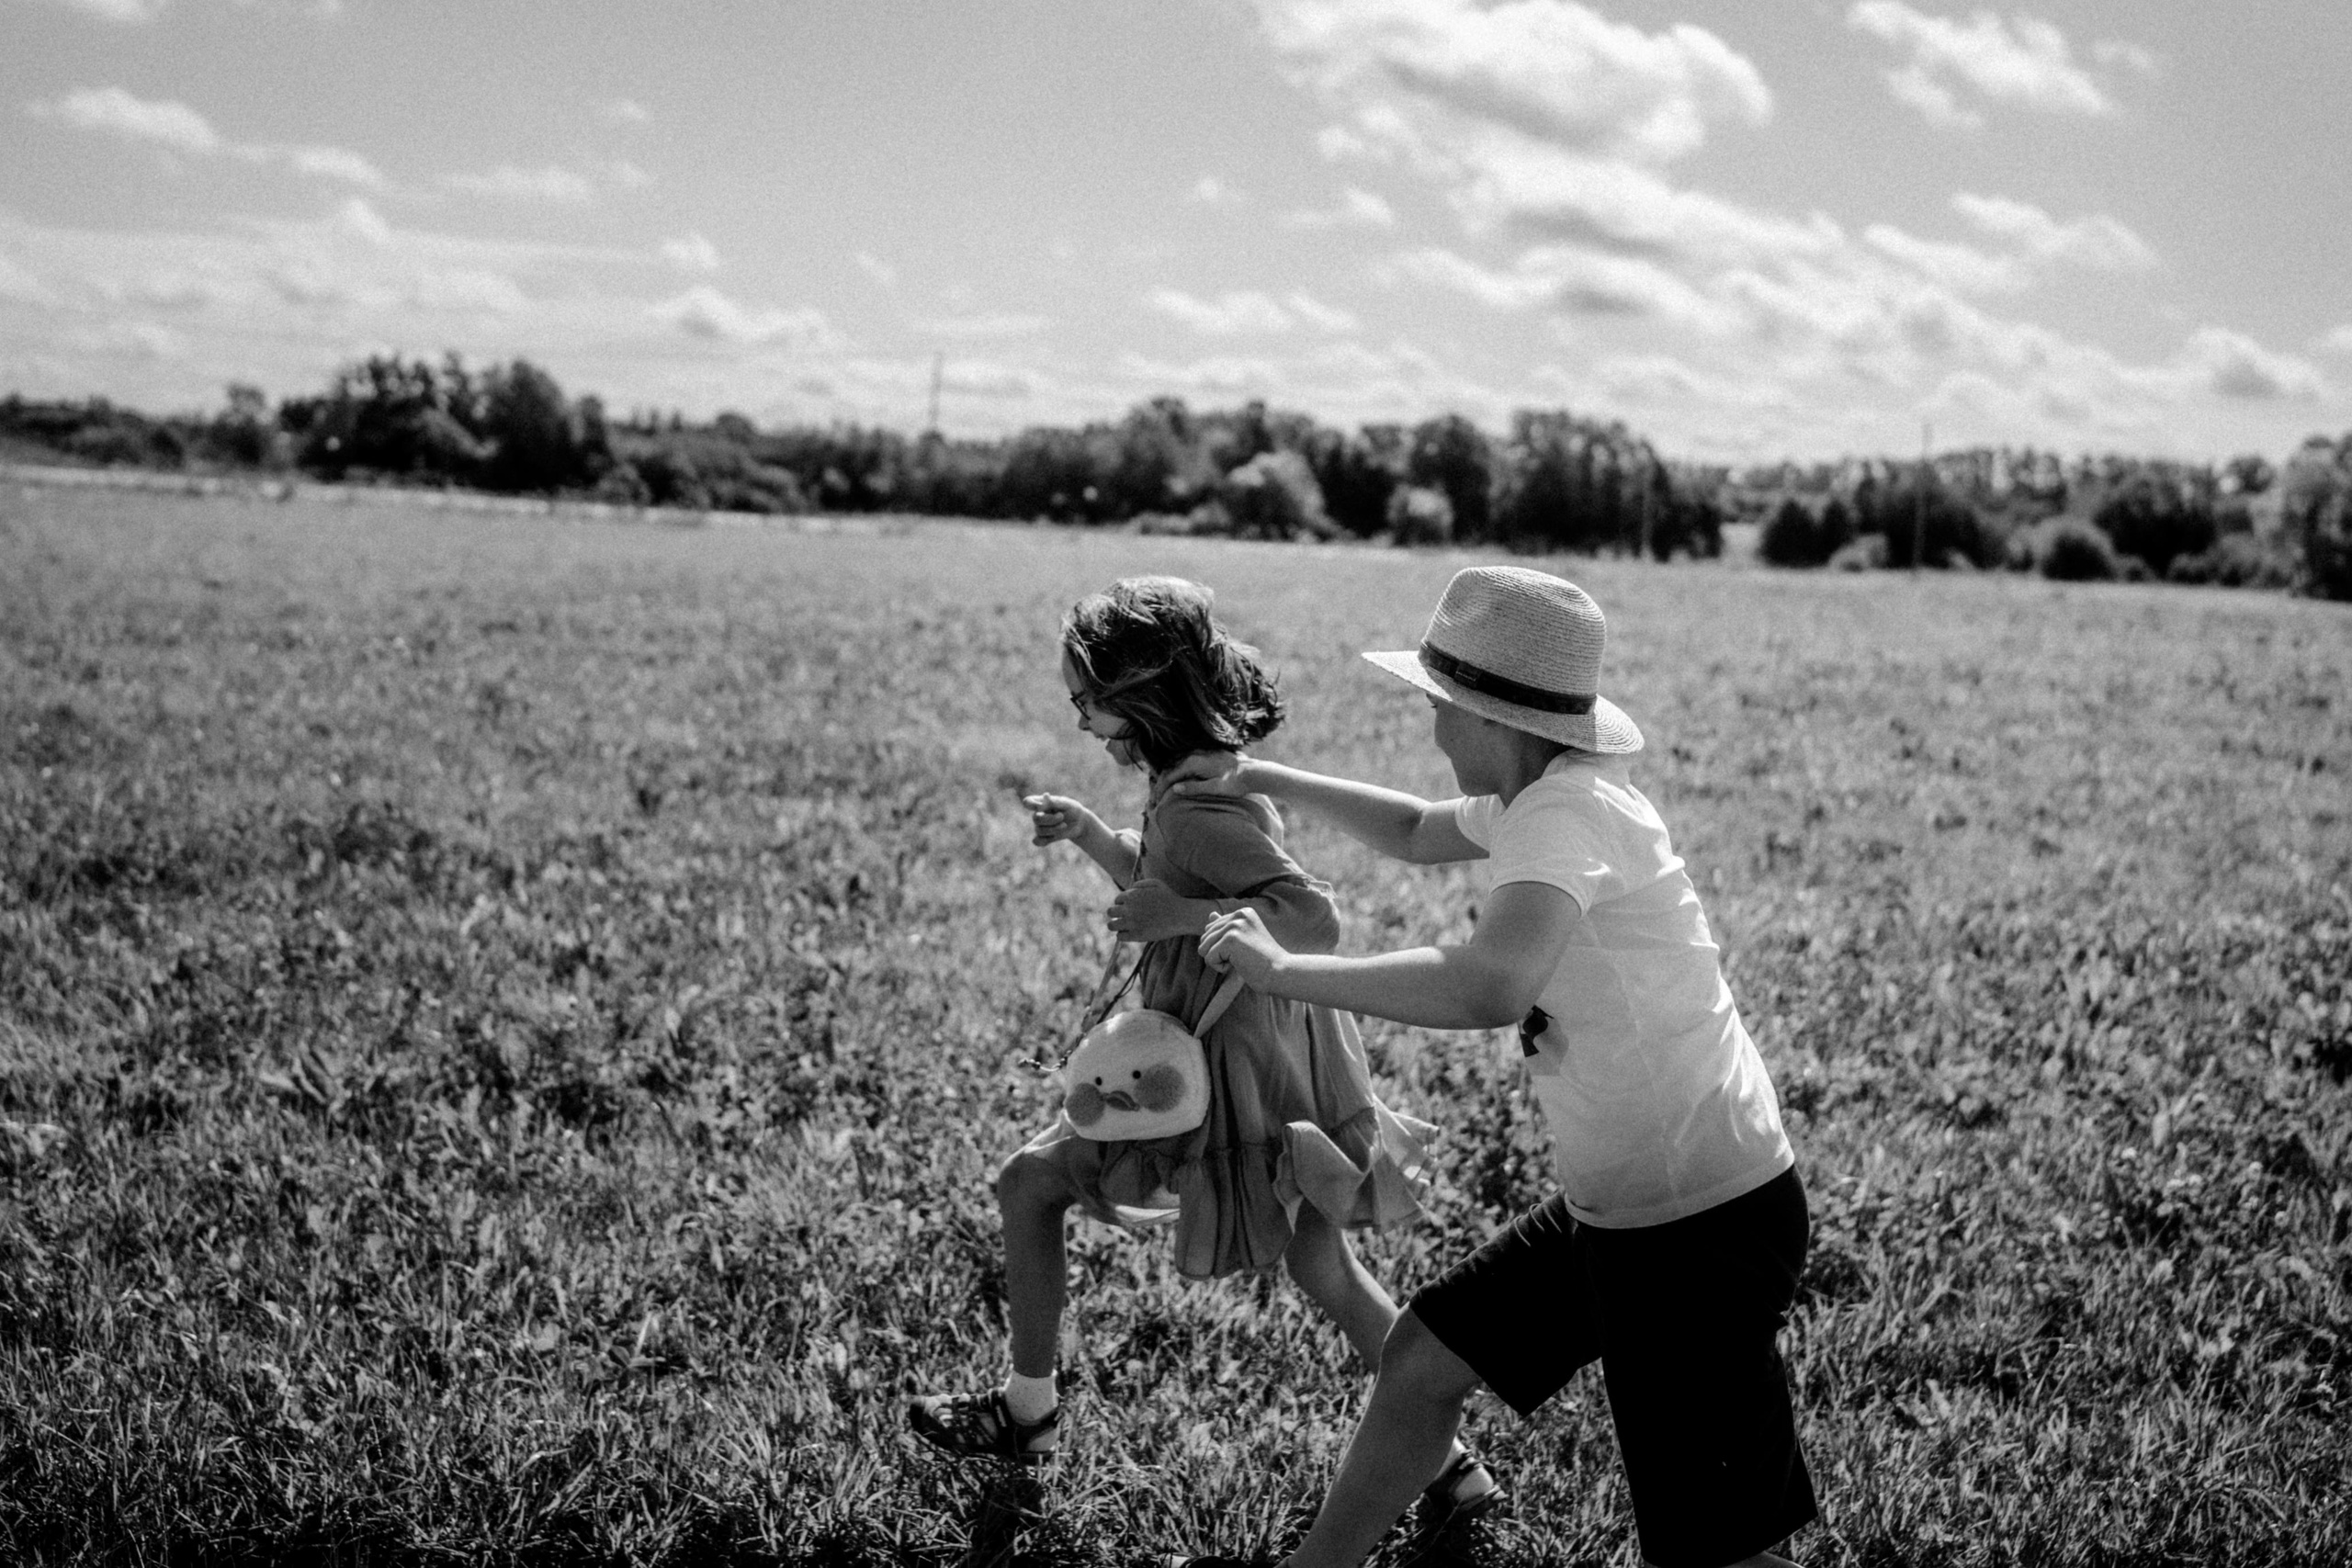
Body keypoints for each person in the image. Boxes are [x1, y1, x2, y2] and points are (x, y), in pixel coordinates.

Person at [1176, 564, 1814, 1568]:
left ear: (1490, 716)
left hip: (1697, 1229)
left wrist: (1284, 969)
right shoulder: (1541, 797)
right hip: (1623, 1209)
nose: (1431, 723)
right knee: (1422, 1360)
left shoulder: (1567, 815)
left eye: (1438, 702)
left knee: (1715, 1554)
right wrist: (1264, 778)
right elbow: (1413, 829)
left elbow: (1490, 986)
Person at [908, 576, 1498, 1527]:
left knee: (1029, 1182)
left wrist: (1181, 914)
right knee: (1323, 1270)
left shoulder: (1195, 807)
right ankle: (1452, 1465)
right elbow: (1164, 883)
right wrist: (1096, 838)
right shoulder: (1191, 786)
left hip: (1224, 1078)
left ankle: (1027, 1413)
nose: (1080, 721)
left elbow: (1309, 918)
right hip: (1265, 1062)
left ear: (1139, 698)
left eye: (1086, 701)